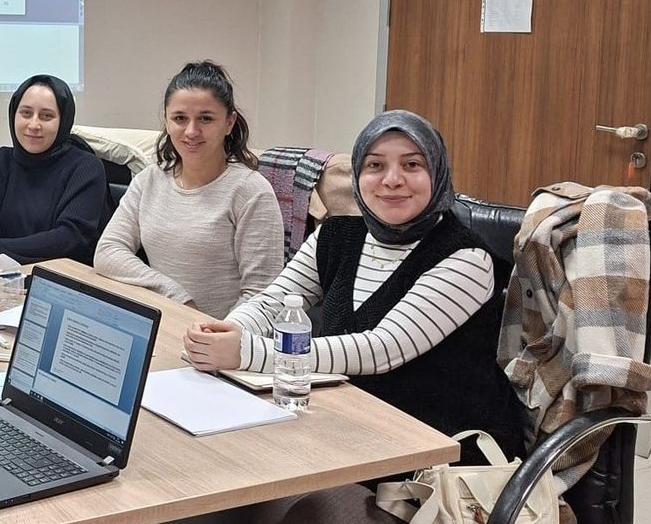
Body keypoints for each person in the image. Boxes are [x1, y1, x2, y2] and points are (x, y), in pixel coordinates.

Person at [182, 110, 524, 523]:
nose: (392, 180)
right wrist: (229, 329)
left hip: (435, 460)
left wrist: (247, 352)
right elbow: (275, 302)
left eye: (412, 165)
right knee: (213, 481)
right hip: (349, 434)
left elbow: (381, 349)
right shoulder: (336, 235)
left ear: (437, 174)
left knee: (291, 508)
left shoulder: (466, 259)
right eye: (375, 165)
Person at [94, 61, 283, 318]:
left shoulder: (251, 192)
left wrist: (210, 330)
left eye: (206, 118)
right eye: (180, 118)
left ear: (229, 122)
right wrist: (175, 297)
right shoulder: (149, 180)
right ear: (166, 120)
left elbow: (262, 296)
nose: (191, 131)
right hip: (166, 323)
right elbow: (108, 252)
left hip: (224, 333)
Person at [0, 74, 107, 266]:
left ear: (63, 121)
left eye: (46, 116)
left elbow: (70, 238)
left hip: (60, 276)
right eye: (26, 113)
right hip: (0, 276)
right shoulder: (0, 162)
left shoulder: (86, 167)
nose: (33, 125)